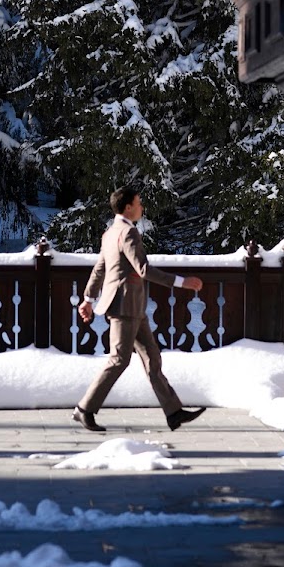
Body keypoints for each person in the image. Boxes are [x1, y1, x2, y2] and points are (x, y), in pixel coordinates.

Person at [73, 184, 207, 434]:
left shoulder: (111, 233)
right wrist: (182, 282)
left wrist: (88, 299)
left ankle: (174, 412)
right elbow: (143, 269)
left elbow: (100, 268)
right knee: (119, 360)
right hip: (125, 305)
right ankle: (85, 409)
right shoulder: (128, 233)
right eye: (139, 202)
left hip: (132, 306)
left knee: (152, 358)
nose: (142, 207)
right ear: (128, 207)